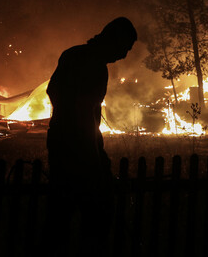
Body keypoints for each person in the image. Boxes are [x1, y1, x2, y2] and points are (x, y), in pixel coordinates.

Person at [44, 17, 137, 257]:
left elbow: (52, 91)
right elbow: (85, 113)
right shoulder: (95, 67)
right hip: (79, 150)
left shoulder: (71, 55)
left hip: (60, 142)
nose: (124, 55)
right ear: (113, 39)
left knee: (60, 217)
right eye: (125, 48)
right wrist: (95, 156)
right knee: (96, 217)